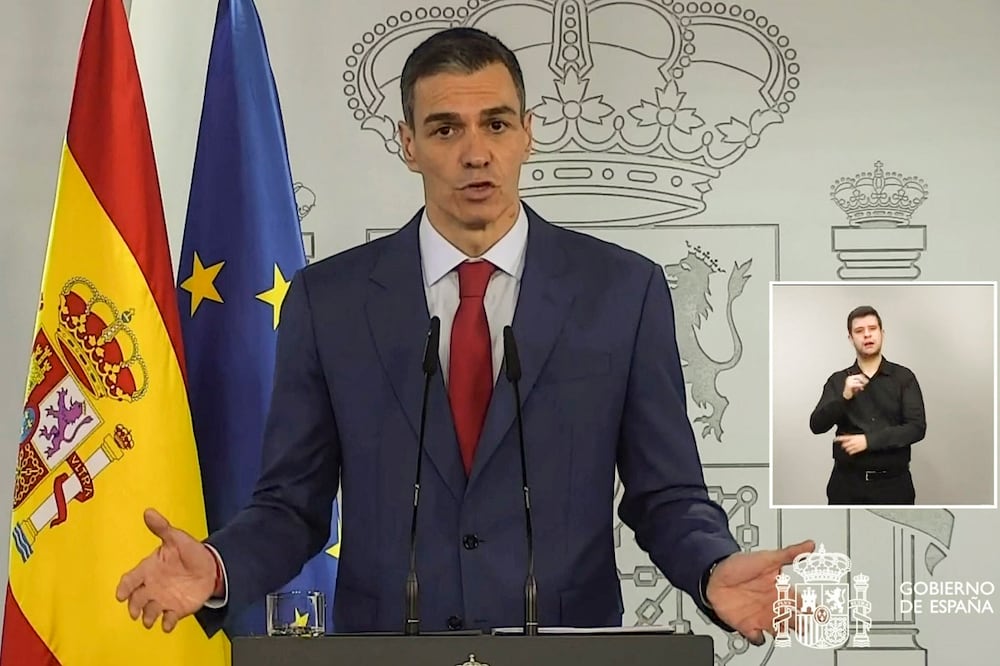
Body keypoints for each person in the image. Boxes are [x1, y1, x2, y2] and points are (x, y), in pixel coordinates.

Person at [117, 26, 813, 645]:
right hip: (387, 647)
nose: (476, 152)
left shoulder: (620, 291)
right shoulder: (329, 302)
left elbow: (666, 495)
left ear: (529, 133)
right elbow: (291, 505)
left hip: (566, 648)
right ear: (409, 144)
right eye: (447, 128)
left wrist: (713, 567)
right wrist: (218, 566)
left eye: (497, 124)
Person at [809, 305, 926, 505]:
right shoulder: (838, 381)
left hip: (893, 486)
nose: (867, 335)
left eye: (872, 328)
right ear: (850, 338)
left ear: (882, 333)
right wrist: (844, 397)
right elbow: (816, 426)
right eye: (859, 331)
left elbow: (916, 428)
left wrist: (869, 441)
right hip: (846, 485)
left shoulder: (904, 377)